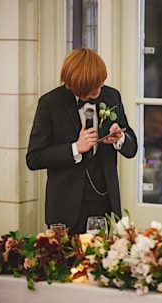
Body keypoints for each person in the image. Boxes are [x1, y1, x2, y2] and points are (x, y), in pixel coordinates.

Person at [26, 48, 138, 235]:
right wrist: (75, 148)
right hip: (65, 206)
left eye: (100, 84)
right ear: (75, 84)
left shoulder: (112, 96)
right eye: (93, 87)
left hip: (104, 201)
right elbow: (34, 158)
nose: (99, 91)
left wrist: (120, 139)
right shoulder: (50, 103)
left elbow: (132, 147)